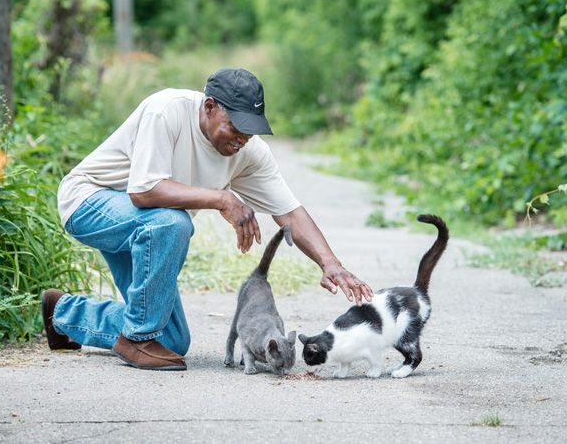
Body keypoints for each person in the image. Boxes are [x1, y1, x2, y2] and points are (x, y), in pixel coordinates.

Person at [41, 68, 373, 370]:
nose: (243, 139)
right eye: (236, 127)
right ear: (210, 107)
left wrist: (330, 263)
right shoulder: (166, 111)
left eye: (251, 131)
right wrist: (222, 198)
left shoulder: (247, 153)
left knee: (171, 341)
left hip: (145, 228)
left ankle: (64, 314)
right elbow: (144, 192)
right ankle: (135, 339)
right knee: (173, 223)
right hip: (89, 202)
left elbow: (289, 212)